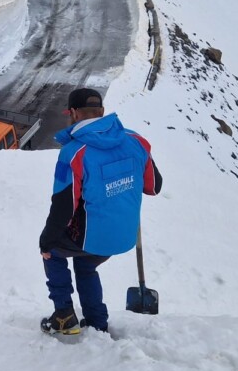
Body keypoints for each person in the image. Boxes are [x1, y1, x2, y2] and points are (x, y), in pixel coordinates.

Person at [38, 88, 162, 335]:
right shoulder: (136, 141)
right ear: (102, 112)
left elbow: (63, 207)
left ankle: (64, 316)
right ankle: (97, 322)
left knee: (52, 250)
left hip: (92, 238)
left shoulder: (74, 153)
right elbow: (154, 186)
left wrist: (46, 240)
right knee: (86, 266)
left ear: (73, 114)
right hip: (123, 236)